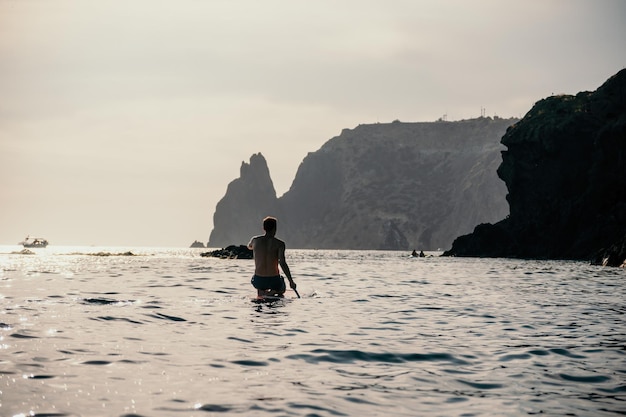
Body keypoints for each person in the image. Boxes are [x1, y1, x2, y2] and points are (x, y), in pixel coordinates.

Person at [247, 216, 297, 297]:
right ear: (275, 228)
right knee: (282, 290)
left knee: (259, 287)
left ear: (263, 228)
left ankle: (262, 292)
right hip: (274, 279)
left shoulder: (255, 240)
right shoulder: (280, 244)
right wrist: (291, 281)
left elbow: (249, 246)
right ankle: (273, 291)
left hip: (259, 279)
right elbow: (282, 263)